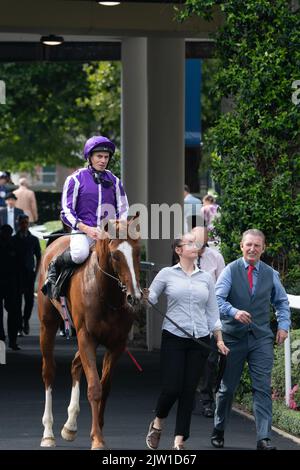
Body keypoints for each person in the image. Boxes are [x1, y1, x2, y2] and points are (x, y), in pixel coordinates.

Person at [144, 232, 229, 450]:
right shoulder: (166, 274)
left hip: (199, 339)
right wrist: (142, 295)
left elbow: (212, 312)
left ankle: (179, 440)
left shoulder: (206, 278)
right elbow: (151, 298)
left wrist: (218, 340)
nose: (194, 245)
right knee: (171, 388)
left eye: (195, 243)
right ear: (178, 250)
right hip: (173, 336)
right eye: (189, 243)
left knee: (188, 391)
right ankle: (158, 422)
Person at [211, 229, 291, 451]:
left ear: (263, 249)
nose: (252, 249)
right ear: (241, 246)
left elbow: (282, 302)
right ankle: (218, 428)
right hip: (233, 338)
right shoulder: (230, 270)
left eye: (257, 245)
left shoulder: (270, 274)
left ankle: (263, 438)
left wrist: (283, 326)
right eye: (249, 245)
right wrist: (234, 311)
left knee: (262, 388)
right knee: (227, 389)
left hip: (261, 338)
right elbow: (216, 300)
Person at [42, 135, 129, 299]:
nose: (103, 160)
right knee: (79, 254)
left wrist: (114, 229)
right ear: (90, 157)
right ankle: (56, 265)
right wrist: (86, 229)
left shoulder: (115, 181)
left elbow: (124, 208)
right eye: (99, 156)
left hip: (108, 233)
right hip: (84, 231)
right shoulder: (75, 179)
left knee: (125, 255)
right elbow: (66, 211)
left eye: (106, 157)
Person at [191, 226, 225, 418]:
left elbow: (222, 285)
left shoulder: (216, 258)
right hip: (189, 317)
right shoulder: (185, 255)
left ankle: (207, 400)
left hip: (209, 315)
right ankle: (188, 398)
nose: (199, 246)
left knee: (211, 360)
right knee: (191, 359)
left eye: (202, 242)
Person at [14, 214, 41, 336]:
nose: (24, 225)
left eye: (26, 222)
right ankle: (19, 325)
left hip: (29, 275)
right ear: (18, 223)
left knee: (29, 302)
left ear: (28, 223)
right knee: (17, 302)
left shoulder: (33, 239)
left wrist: (36, 271)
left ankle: (26, 320)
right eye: (22, 222)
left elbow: (39, 256)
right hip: (16, 275)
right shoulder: (13, 239)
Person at [0, 224, 20, 350]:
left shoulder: (14, 244)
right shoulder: (14, 244)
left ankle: (10, 340)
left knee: (13, 313)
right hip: (10, 283)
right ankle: (8, 340)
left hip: (11, 283)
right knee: (13, 313)